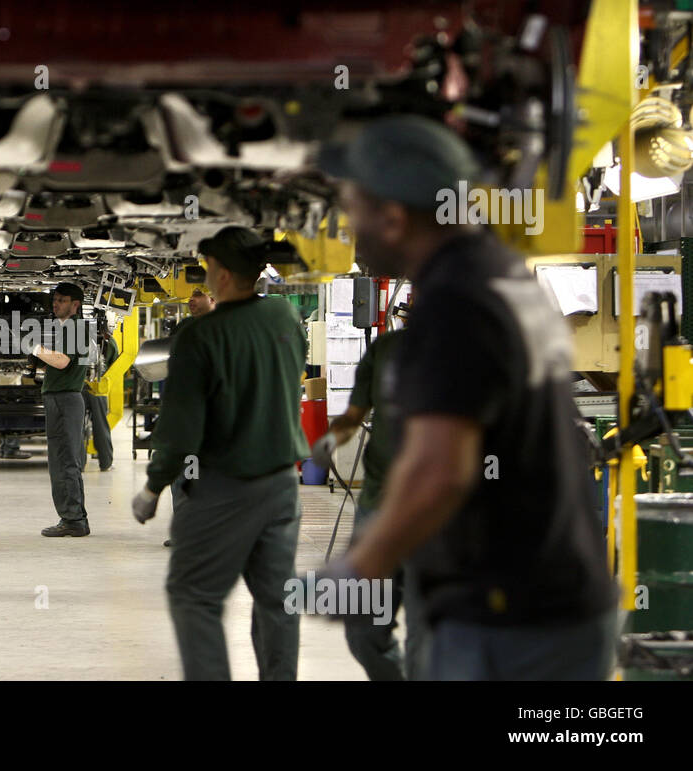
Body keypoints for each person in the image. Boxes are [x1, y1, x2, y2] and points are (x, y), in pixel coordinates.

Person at [316, 115, 616, 680]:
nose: (348, 223)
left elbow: (440, 470)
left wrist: (363, 564)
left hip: (509, 621)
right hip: (553, 599)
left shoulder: (455, 302)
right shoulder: (502, 274)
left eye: (352, 205)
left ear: (393, 216)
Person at [132, 226, 309, 680]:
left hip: (225, 488)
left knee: (193, 595)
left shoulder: (199, 336)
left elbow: (179, 425)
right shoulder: (286, 318)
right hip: (282, 485)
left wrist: (153, 486)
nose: (205, 273)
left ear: (224, 274)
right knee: (276, 600)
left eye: (209, 266)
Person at [311, 321, 429, 680]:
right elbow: (353, 416)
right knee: (362, 628)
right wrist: (333, 438)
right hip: (377, 511)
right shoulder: (385, 349)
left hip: (439, 519)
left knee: (427, 639)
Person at [34, 282, 96, 537]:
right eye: (55, 299)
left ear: (76, 304)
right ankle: (72, 517)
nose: (56, 303)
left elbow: (61, 362)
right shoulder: (68, 329)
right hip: (61, 399)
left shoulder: (75, 328)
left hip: (65, 400)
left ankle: (74, 520)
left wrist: (35, 348)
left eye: (62, 300)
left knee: (65, 460)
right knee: (61, 460)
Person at [163, 288, 215, 547]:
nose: (191, 300)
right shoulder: (183, 327)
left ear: (213, 298)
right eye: (190, 296)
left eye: (197, 294)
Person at [82, 331, 120, 472]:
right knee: (101, 425)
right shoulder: (110, 341)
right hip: (98, 386)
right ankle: (106, 462)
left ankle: (79, 464)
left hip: (79, 386)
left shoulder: (77, 335)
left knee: (78, 426)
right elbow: (114, 362)